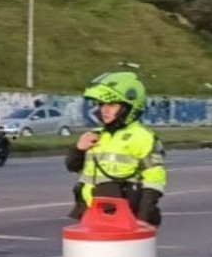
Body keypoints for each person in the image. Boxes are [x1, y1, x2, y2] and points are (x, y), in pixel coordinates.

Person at [65, 72, 166, 226]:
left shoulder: (142, 136)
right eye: (101, 104)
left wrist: (143, 217)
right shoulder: (97, 135)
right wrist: (78, 149)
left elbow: (154, 180)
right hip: (91, 214)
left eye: (111, 105)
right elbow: (72, 166)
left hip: (124, 217)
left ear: (128, 107)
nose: (104, 110)